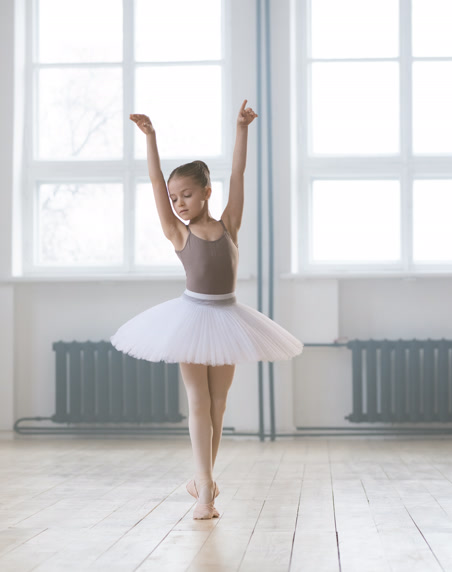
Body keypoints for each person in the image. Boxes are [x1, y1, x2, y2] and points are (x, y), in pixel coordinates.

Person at [110, 100, 304, 520]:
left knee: (219, 404)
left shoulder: (229, 224)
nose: (178, 202)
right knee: (198, 401)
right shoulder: (178, 233)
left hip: (229, 318)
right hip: (191, 319)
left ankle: (204, 479)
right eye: (174, 197)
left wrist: (242, 130)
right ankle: (205, 495)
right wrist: (151, 139)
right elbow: (154, 182)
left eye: (187, 195)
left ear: (206, 193)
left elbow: (238, 174)